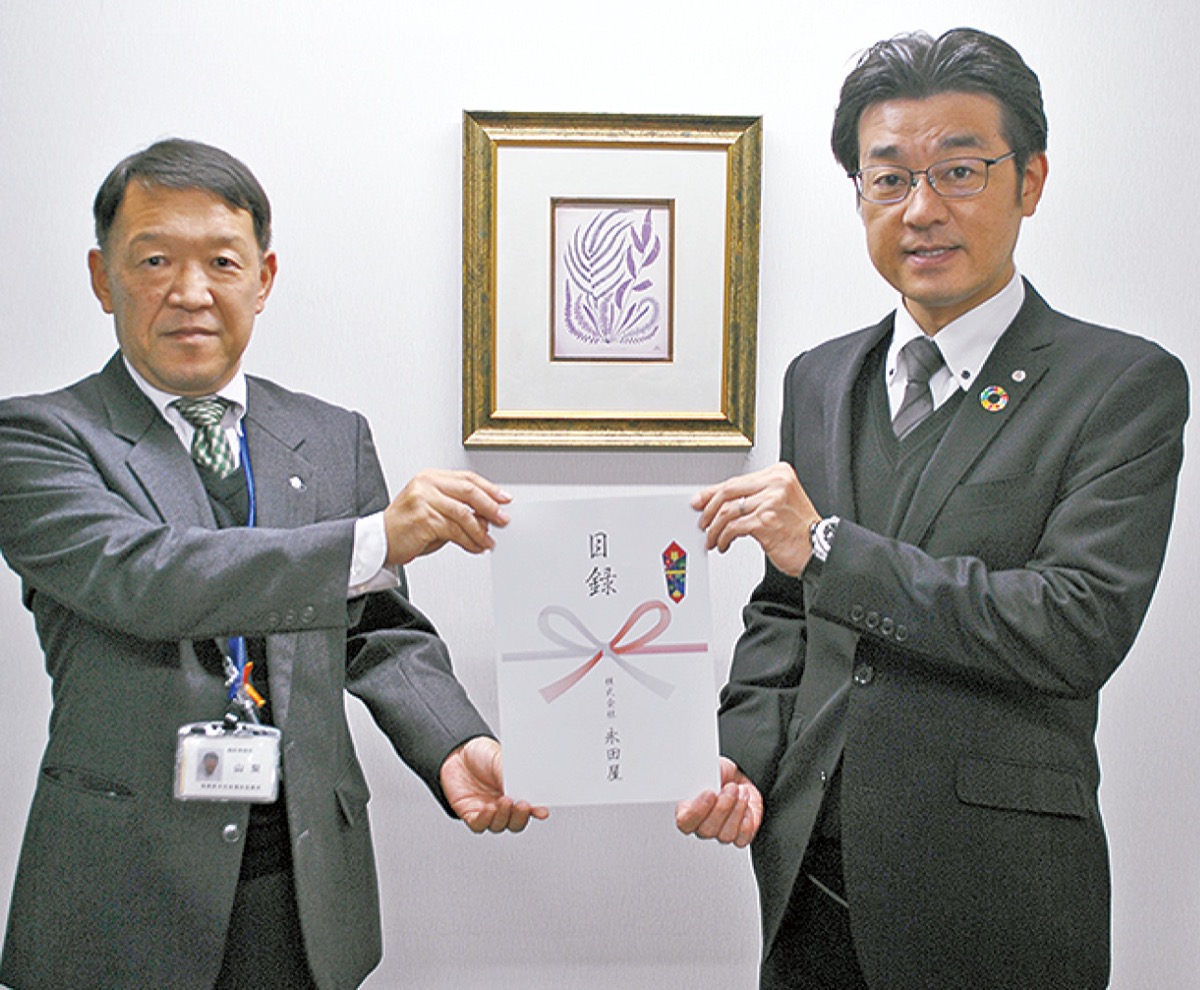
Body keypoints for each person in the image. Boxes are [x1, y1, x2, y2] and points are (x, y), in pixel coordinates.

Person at [675, 27, 1188, 990]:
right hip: (806, 881)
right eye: (889, 179)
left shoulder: (1120, 383)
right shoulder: (820, 377)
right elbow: (786, 608)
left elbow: (1075, 625)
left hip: (998, 894)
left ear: (1029, 181)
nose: (921, 210)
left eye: (959, 171)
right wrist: (739, 753)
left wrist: (829, 548)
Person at [0, 138, 547, 990]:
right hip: (120, 889)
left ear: (264, 278)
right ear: (104, 278)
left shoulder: (330, 437)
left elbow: (377, 630)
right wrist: (373, 538)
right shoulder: (38, 437)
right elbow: (147, 577)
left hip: (301, 886)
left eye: (222, 262)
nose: (191, 292)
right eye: (155, 260)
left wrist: (455, 742)